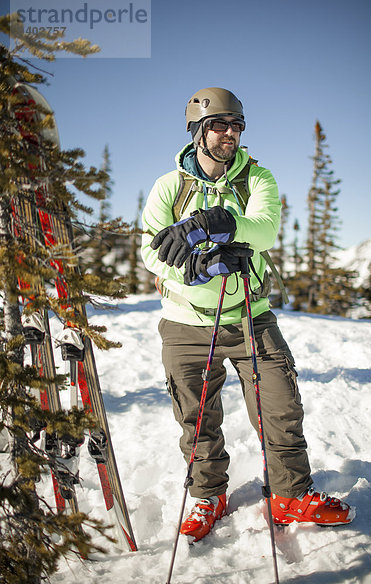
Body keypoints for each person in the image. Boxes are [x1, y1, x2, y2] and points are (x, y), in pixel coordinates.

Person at [141, 87, 355, 542]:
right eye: (219, 125)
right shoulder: (168, 187)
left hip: (250, 316)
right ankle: (209, 494)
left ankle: (291, 494)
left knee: (279, 405)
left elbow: (266, 229)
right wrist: (193, 269)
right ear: (198, 130)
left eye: (236, 125)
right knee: (196, 416)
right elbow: (151, 250)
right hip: (185, 322)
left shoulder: (257, 178)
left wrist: (214, 221)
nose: (230, 133)